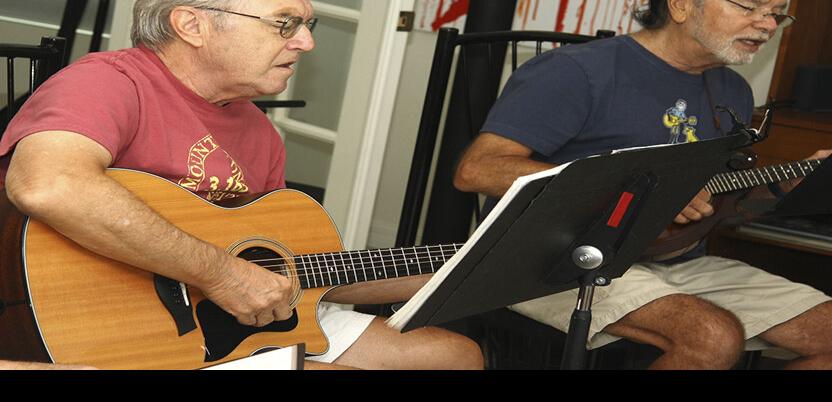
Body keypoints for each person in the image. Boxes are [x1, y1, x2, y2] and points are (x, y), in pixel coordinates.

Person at [0, 0, 483, 370]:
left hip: (229, 323)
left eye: (306, 25)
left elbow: (283, 276)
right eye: (284, 23)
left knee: (455, 355)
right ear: (193, 25)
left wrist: (462, 266)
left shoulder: (260, 133)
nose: (306, 43)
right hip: (105, 321)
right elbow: (49, 185)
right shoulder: (108, 83)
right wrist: (222, 274)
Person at [453, 0, 832, 369]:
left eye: (777, 14)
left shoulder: (733, 91)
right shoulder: (577, 72)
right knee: (712, 335)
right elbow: (478, 170)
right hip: (557, 261)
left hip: (675, 262)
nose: (767, 25)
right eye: (749, 7)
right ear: (681, 6)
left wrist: (788, 183)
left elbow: (723, 202)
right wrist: (638, 191)